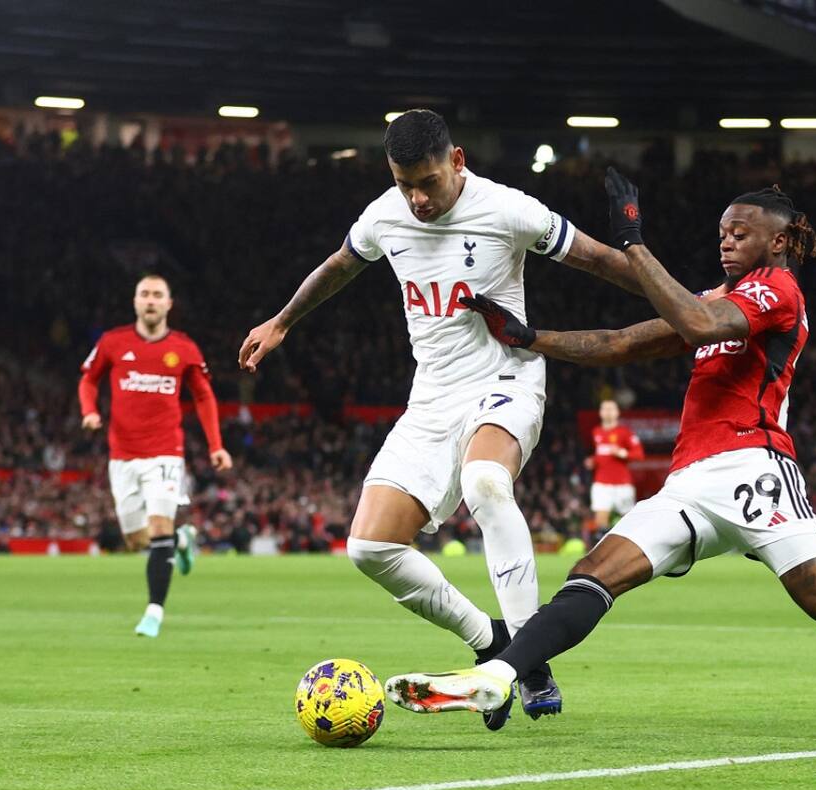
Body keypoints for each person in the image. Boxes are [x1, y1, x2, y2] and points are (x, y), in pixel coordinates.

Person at [383, 168, 816, 751]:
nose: (726, 239)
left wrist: (634, 245)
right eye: (722, 231)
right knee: (595, 573)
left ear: (778, 240)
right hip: (693, 483)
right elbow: (622, 342)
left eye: (741, 231)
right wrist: (534, 338)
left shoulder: (778, 290)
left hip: (756, 469)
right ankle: (498, 677)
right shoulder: (717, 298)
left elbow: (700, 328)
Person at [237, 110, 646, 729]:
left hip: (506, 378)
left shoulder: (510, 210)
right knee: (369, 547)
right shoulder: (384, 215)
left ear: (458, 160)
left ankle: (528, 661)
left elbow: (598, 261)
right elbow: (339, 266)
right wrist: (282, 321)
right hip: (431, 398)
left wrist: (693, 308)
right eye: (406, 185)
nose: (418, 198)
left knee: (485, 482)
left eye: (428, 181)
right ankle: (490, 642)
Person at [78, 273, 233, 637]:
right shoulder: (113, 343)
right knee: (136, 540)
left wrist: (216, 445)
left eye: (157, 295)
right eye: (144, 294)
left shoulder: (184, 348)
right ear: (135, 302)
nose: (150, 300)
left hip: (165, 453)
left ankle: (154, 612)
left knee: (159, 526)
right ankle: (182, 540)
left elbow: (204, 396)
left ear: (168, 304)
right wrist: (89, 411)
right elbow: (88, 379)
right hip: (122, 456)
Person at [586, 399, 644, 539]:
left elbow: (639, 454)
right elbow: (601, 455)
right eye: (604, 408)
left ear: (617, 412)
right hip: (601, 483)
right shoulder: (596, 432)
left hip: (622, 484)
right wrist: (593, 461)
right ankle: (602, 553)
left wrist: (622, 453)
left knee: (628, 522)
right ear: (600, 412)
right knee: (600, 520)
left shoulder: (625, 432)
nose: (607, 411)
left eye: (611, 408)